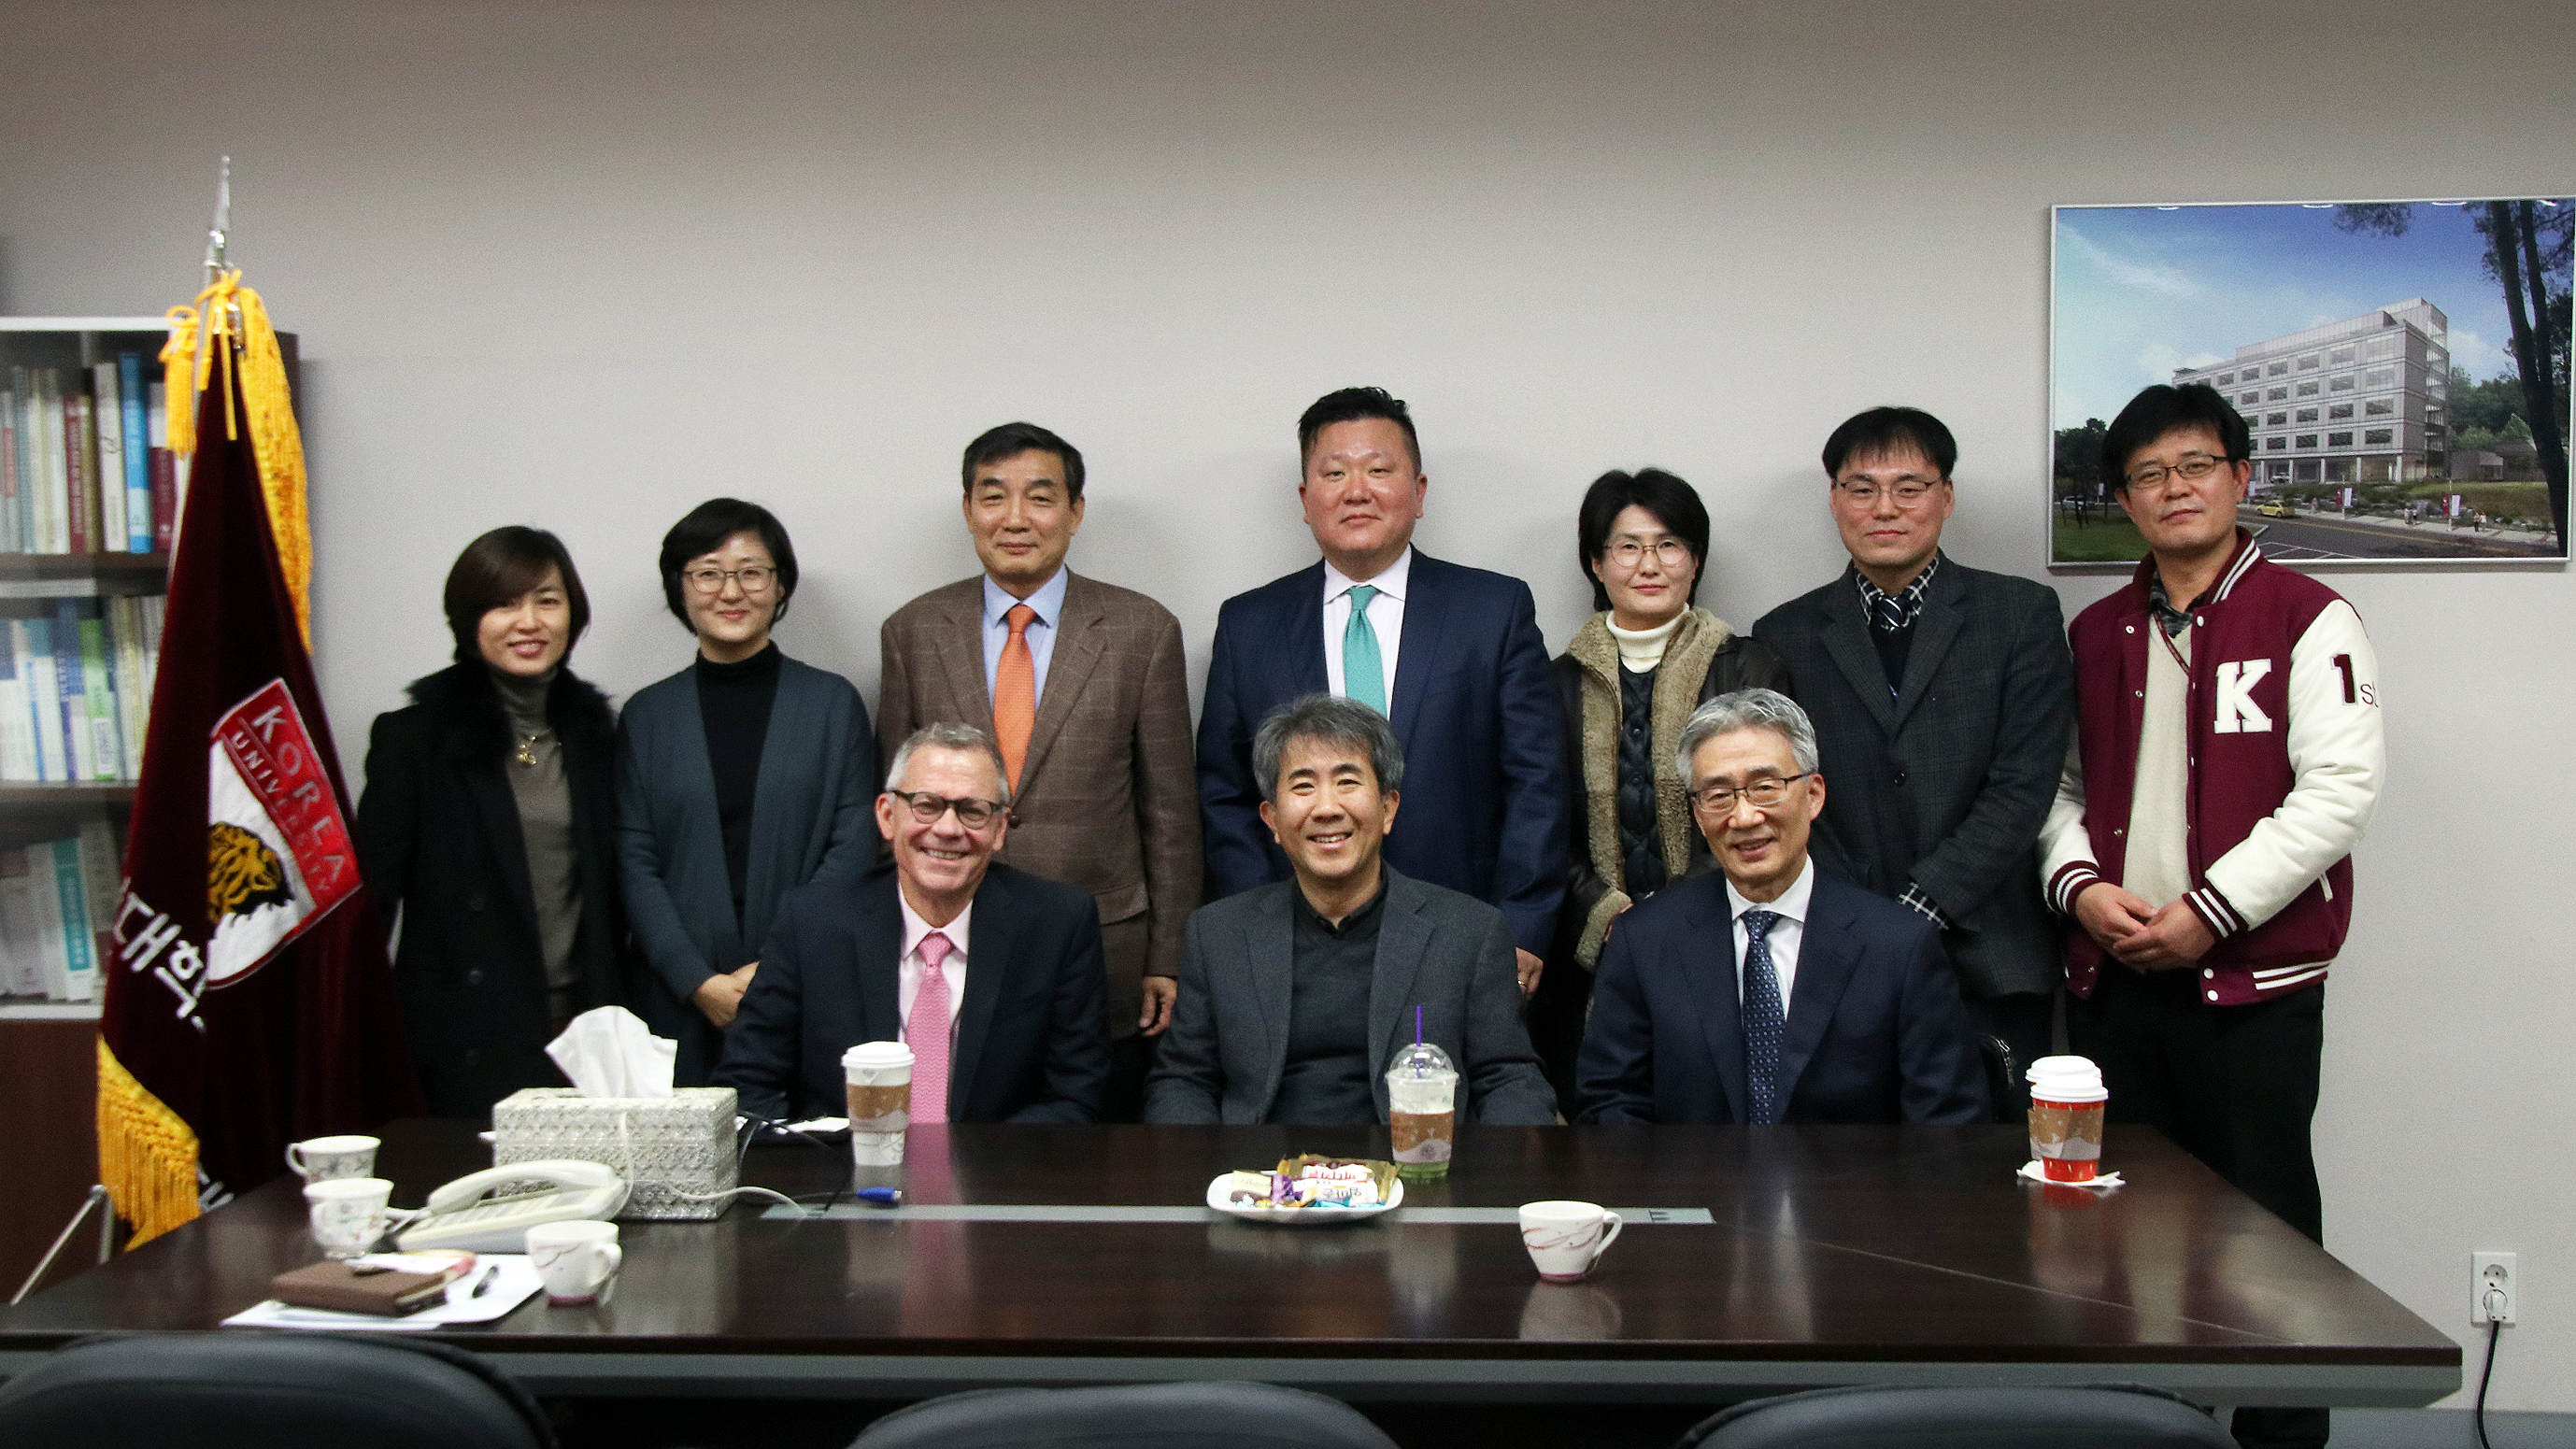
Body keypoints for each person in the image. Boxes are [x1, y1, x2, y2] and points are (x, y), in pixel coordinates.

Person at [2039, 383, 2381, 1449]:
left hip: (2251, 989)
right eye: (2148, 474)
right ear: (2123, 500)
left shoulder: (2308, 616)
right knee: (2122, 1230)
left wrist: (2208, 914)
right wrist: (2082, 889)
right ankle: (2152, 1428)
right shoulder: (2095, 632)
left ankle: (2282, 1437)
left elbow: (2338, 791)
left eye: (2195, 466)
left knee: (2267, 1230)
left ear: (2240, 477)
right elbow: (2054, 790)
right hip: (2115, 982)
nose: (2174, 488)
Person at [1198, 386, 1567, 997]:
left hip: (1464, 931)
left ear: (1418, 492)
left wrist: (1522, 923)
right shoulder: (1248, 625)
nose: (1356, 490)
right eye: (1334, 473)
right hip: (1294, 942)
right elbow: (1225, 794)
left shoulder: (1492, 610)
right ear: (1305, 499)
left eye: (1378, 470)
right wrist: (1258, 924)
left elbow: (1537, 783)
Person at [877, 423, 1201, 1120]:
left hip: (1106, 951)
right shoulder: (913, 631)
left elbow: (1170, 811)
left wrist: (1167, 957)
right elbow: (895, 809)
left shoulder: (1142, 630)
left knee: (1093, 1149)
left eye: (1041, 497)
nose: (1016, 518)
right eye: (994, 496)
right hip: (947, 941)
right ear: (968, 510)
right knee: (956, 1128)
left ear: (1075, 511)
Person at [1752, 407, 2073, 1081]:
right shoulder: (1784, 632)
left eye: (1909, 487)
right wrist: (1862, 919)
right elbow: (1785, 789)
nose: (1885, 508)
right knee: (1845, 1146)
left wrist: (1921, 906)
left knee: (1994, 1146)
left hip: (1991, 953)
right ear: (1835, 500)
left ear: (1945, 496)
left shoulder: (2020, 614)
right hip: (1835, 946)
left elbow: (2023, 786)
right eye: (1861, 488)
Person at [1576, 689, 1986, 1126]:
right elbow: (1609, 1105)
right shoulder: (1644, 941)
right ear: (1697, 814)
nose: (1744, 817)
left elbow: (1948, 1125)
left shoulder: (1899, 946)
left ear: (1814, 795)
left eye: (1765, 788)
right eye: (1719, 795)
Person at [1148, 695, 1556, 1126]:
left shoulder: (1469, 932)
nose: (1327, 808)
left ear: (1388, 809)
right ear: (1272, 820)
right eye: (1303, 786)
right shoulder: (1218, 935)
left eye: (1347, 782)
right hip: (1262, 1164)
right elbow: (1182, 1080)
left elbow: (1509, 1078)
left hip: (1413, 1162)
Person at [1540, 467, 1794, 1111]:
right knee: (1608, 1117)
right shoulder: (1554, 683)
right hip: (1589, 956)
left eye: (1669, 544)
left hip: (1728, 934)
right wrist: (1606, 915)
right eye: (1627, 546)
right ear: (1596, 562)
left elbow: (1772, 809)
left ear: (1695, 559)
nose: (1648, 564)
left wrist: (1673, 917)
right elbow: (1538, 821)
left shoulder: (1748, 666)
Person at [357, 527, 627, 1118]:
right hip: (465, 1037)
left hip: (583, 1033)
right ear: (469, 621)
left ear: (572, 615)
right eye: (504, 604)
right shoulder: (415, 740)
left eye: (547, 601)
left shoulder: (597, 738)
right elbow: (371, 903)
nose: (529, 622)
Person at [716, 723, 1110, 1123]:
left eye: (973, 811)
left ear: (1000, 829)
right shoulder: (811, 924)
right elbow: (747, 1087)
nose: (948, 829)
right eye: (926, 805)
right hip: (843, 1159)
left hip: (996, 1161)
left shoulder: (1058, 925)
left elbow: (1077, 1098)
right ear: (887, 816)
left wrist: (972, 1160)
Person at [617, 499, 879, 1087]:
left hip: (806, 985)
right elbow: (634, 860)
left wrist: (776, 967)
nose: (731, 591)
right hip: (677, 996)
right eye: (708, 573)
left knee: (805, 1138)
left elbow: (853, 845)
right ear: (680, 587)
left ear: (779, 585)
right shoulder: (647, 716)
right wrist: (697, 981)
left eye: (752, 572)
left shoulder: (832, 705)